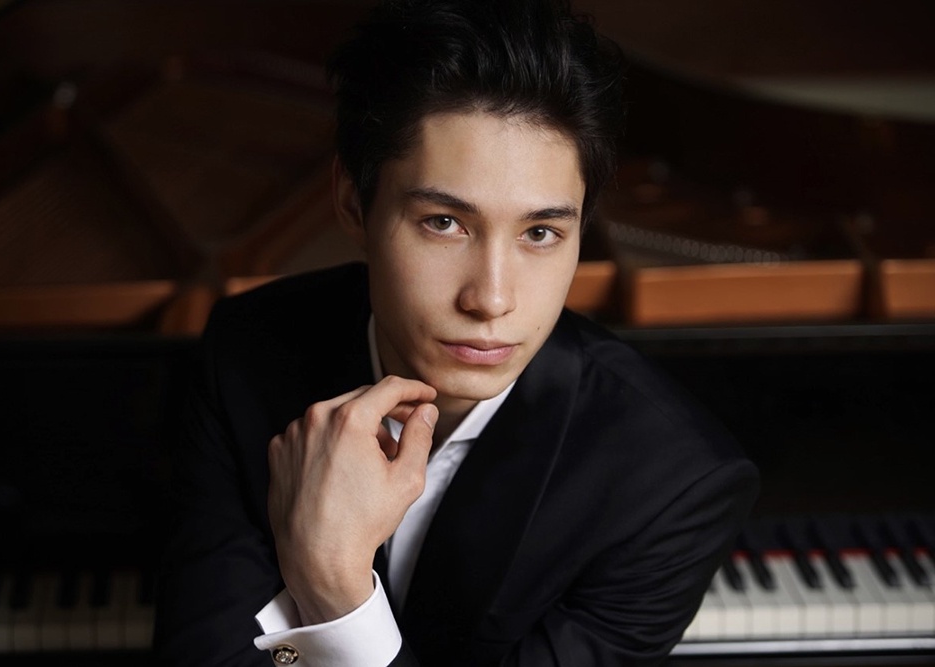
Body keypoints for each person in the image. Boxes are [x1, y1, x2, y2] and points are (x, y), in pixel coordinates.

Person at [153, 0, 759, 665]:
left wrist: (334, 589)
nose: (491, 299)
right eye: (444, 223)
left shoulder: (673, 484)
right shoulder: (247, 348)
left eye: (540, 233)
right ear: (353, 203)